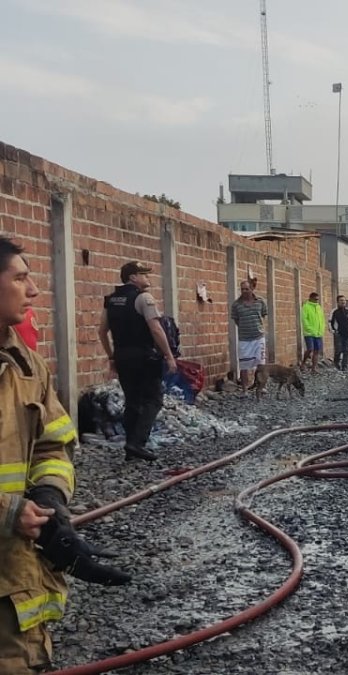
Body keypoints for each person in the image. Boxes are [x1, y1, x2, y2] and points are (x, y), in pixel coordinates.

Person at [0, 236, 131, 673]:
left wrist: (49, 499)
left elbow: (53, 442)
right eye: (20, 278)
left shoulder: (27, 365)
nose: (34, 289)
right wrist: (7, 512)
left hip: (12, 573)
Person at [98, 261, 178, 462]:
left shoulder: (111, 300)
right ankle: (137, 443)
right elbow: (156, 329)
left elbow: (102, 331)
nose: (147, 278)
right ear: (133, 277)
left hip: (122, 356)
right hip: (143, 356)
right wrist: (169, 355)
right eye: (143, 274)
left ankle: (130, 447)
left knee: (132, 401)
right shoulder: (143, 298)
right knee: (154, 399)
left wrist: (111, 356)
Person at [230, 280, 268, 391]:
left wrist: (257, 327)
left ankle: (261, 386)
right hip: (244, 339)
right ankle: (245, 389)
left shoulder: (260, 302)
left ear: (251, 289)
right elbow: (236, 320)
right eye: (242, 289)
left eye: (247, 289)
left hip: (259, 337)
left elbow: (263, 316)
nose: (244, 291)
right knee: (244, 365)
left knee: (261, 362)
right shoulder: (236, 305)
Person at [329, 296, 348, 372]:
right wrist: (333, 331)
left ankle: (344, 366)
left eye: (344, 300)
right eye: (341, 300)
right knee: (338, 350)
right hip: (338, 334)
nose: (343, 302)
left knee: (346, 350)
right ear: (337, 302)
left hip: (347, 334)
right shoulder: (334, 311)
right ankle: (336, 363)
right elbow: (330, 322)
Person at [300, 292, 324, 374]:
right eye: (315, 299)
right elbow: (304, 319)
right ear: (310, 298)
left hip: (318, 333)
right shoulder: (306, 307)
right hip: (309, 333)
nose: (317, 301)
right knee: (310, 349)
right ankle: (303, 363)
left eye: (318, 299)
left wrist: (322, 329)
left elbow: (322, 319)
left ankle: (314, 368)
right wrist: (309, 329)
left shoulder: (319, 307)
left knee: (316, 350)